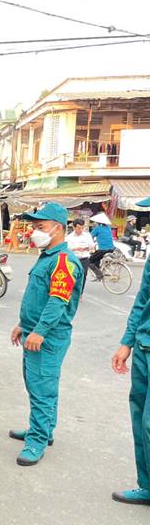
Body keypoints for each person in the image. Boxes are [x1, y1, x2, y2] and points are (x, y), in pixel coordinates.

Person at [9, 203, 82, 466]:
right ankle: (44, 430)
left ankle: (37, 441)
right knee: (38, 384)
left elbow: (57, 301)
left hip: (48, 336)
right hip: (34, 331)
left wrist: (39, 331)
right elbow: (37, 297)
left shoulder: (63, 261)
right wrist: (23, 324)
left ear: (57, 228)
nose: (34, 232)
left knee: (42, 388)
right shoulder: (48, 257)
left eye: (40, 227)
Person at [112, 196, 150, 505]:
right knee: (139, 419)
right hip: (144, 346)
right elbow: (142, 300)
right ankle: (147, 485)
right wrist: (127, 342)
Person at [66, 218, 95, 293]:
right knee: (72, 276)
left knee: (83, 276)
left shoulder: (87, 235)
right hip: (73, 259)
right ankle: (70, 292)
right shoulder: (69, 237)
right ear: (74, 227)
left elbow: (92, 246)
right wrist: (75, 249)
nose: (81, 230)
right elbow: (66, 250)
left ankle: (80, 293)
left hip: (84, 259)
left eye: (82, 228)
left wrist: (87, 248)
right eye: (79, 228)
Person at [89, 212, 115, 281]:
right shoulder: (108, 228)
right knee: (97, 259)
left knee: (90, 261)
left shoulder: (97, 228)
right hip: (111, 249)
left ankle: (99, 275)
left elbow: (90, 237)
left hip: (103, 249)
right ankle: (98, 275)